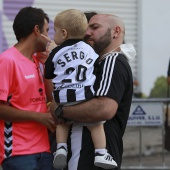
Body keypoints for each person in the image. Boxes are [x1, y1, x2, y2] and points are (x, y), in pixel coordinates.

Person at [50, 13, 136, 170]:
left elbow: (104, 109)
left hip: (86, 158)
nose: (87, 32)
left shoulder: (112, 60)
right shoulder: (95, 62)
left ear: (116, 32)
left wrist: (61, 111)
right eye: (87, 27)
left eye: (94, 27)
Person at [0, 7, 56, 170]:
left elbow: (51, 99)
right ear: (37, 30)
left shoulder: (39, 61)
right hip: (18, 152)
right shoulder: (7, 61)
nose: (50, 37)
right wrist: (38, 117)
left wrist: (48, 66)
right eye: (47, 30)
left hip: (44, 150)